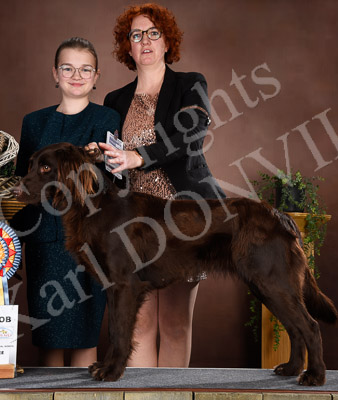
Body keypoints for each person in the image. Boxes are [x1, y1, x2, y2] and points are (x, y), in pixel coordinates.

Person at [100, 3, 225, 368]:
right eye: (137, 35)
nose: (146, 41)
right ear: (128, 46)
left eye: (154, 33)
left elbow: (192, 134)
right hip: (133, 225)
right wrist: (100, 158)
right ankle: (143, 394)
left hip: (181, 220)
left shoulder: (190, 84)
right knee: (137, 325)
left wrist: (137, 157)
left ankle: (171, 392)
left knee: (174, 324)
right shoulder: (114, 100)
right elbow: (113, 163)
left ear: (167, 42)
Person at [12, 37, 120, 367]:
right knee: (49, 339)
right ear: (55, 74)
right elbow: (22, 184)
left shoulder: (107, 119)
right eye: (68, 68)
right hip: (43, 242)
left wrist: (94, 163)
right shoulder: (33, 122)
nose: (76, 75)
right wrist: (13, 239)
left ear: (96, 76)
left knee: (86, 337)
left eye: (85, 69)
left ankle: (84, 390)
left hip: (88, 241)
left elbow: (114, 183)